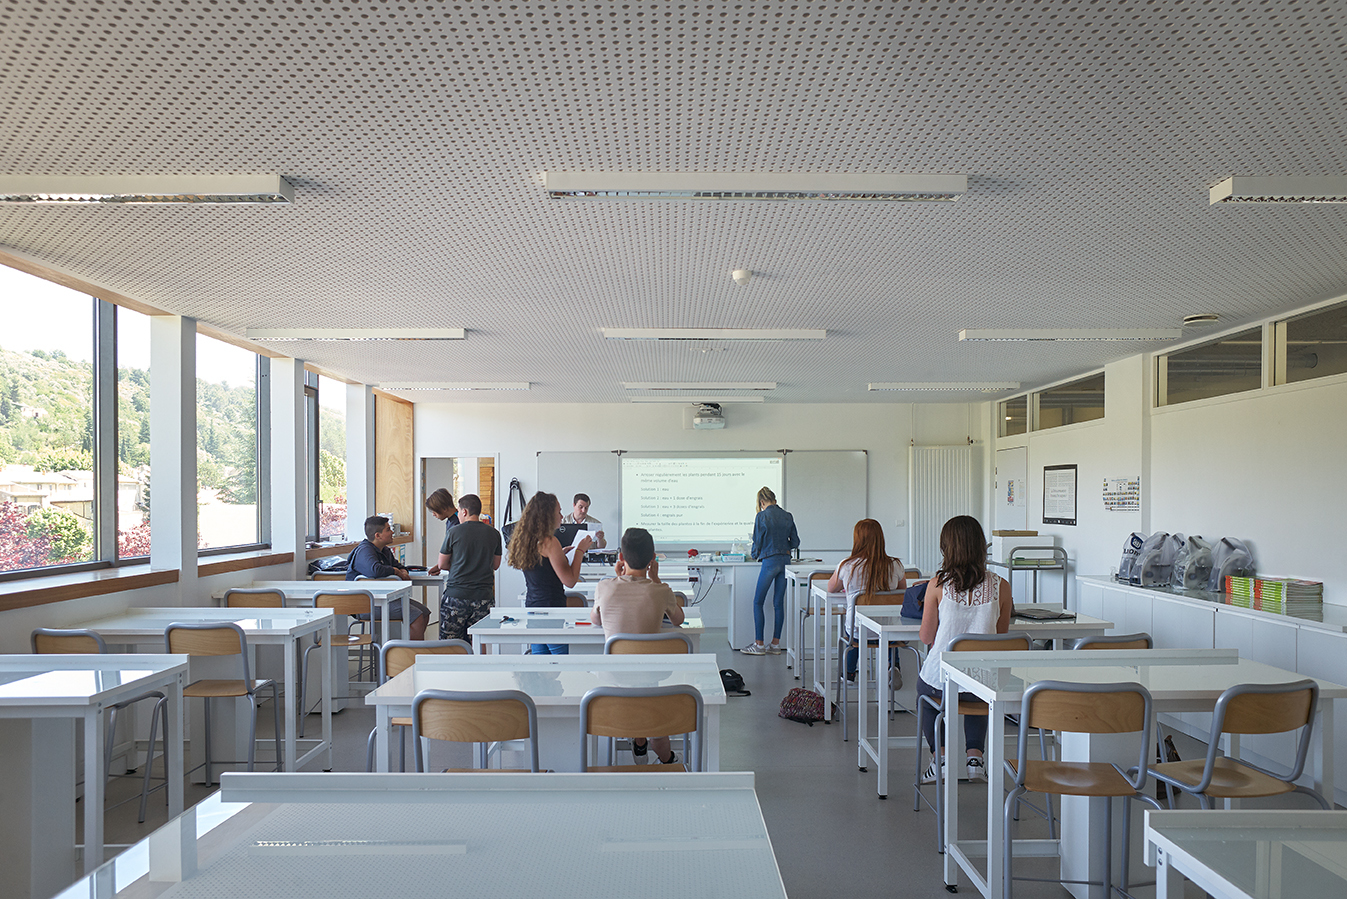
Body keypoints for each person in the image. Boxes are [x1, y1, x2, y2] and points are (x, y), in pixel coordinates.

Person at [917, 515, 1012, 783]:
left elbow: (926, 637)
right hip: (985, 682)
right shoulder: (1001, 586)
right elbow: (1000, 636)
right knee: (978, 690)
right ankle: (974, 757)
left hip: (943, 683)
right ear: (981, 547)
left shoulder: (937, 584)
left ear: (947, 547)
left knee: (925, 693)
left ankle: (942, 757)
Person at [591, 527, 686, 766]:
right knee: (649, 701)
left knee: (633, 689)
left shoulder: (605, 587)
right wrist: (656, 580)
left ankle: (640, 740)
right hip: (650, 680)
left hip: (613, 682)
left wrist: (615, 578)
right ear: (652, 559)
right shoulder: (660, 591)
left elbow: (596, 619)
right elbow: (678, 620)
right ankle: (665, 757)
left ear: (620, 557)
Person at [505, 491, 592, 654]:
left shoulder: (527, 540)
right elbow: (571, 581)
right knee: (559, 663)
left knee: (540, 665)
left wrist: (560, 554)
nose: (561, 516)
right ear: (547, 516)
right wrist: (580, 550)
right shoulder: (550, 542)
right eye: (558, 512)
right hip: (552, 610)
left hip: (533, 607)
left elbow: (543, 568)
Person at [827, 519, 907, 679]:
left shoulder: (847, 566)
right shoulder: (895, 565)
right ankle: (893, 666)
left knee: (854, 626)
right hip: (888, 631)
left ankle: (848, 672)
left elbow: (831, 588)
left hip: (858, 632)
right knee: (888, 626)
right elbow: (902, 592)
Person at [346, 515, 431, 640]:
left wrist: (402, 570)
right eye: (388, 529)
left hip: (386, 599)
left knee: (424, 612)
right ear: (377, 535)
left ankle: (410, 649)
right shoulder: (365, 551)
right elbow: (375, 570)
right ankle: (411, 655)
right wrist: (396, 571)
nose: (392, 532)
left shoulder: (384, 550)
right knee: (416, 615)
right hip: (366, 604)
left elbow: (399, 565)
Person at [741, 486, 799, 655]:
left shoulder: (762, 516)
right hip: (785, 562)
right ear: (774, 500)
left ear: (761, 502)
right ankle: (775, 644)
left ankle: (759, 645)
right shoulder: (788, 516)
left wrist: (754, 555)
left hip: (770, 562)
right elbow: (795, 542)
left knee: (758, 602)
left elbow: (757, 542)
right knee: (778, 603)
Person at [437, 494, 503, 642]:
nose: (458, 515)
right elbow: (496, 565)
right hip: (483, 598)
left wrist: (457, 568)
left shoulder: (453, 532)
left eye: (459, 511)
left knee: (450, 643)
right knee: (479, 641)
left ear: (464, 512)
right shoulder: (494, 533)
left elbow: (442, 564)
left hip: (456, 596)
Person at [424, 488, 458, 575]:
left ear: (444, 508)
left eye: (434, 510)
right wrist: (440, 565)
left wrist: (443, 565)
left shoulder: (456, 523)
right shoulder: (451, 521)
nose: (433, 514)